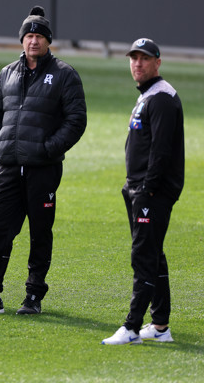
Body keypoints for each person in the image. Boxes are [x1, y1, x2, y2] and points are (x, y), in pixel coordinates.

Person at [0, 6, 86, 314]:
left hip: (43, 168)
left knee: (40, 231)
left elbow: (76, 120)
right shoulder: (7, 73)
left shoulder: (64, 74)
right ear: (21, 40)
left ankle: (34, 297)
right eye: (28, 35)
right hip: (9, 166)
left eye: (39, 36)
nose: (33, 41)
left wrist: (48, 149)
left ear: (48, 40)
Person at [102, 39, 184, 345]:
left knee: (144, 257)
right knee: (153, 255)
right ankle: (160, 326)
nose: (137, 63)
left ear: (157, 62)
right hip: (140, 189)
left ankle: (133, 327)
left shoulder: (161, 98)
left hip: (151, 192)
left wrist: (146, 191)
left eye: (144, 58)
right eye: (134, 58)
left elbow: (161, 153)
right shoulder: (149, 95)